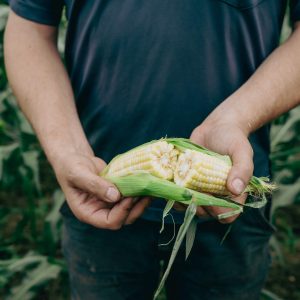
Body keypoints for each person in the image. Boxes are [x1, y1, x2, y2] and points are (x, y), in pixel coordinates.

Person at [4, 1, 300, 299]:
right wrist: (66, 149)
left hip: (230, 192)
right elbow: (31, 26)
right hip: (98, 192)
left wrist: (235, 118)